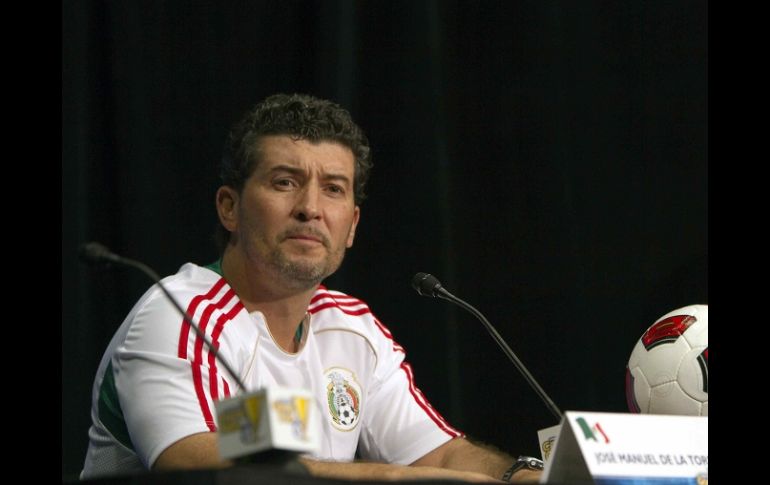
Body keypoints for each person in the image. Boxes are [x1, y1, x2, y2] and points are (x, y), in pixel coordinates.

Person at [81, 93, 543, 482]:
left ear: (352, 226)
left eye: (334, 189)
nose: (310, 208)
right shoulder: (178, 314)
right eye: (285, 182)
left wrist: (523, 477)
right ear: (229, 207)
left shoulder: (351, 328)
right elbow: (192, 464)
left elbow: (440, 455)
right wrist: (391, 475)